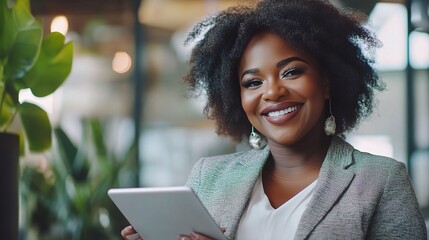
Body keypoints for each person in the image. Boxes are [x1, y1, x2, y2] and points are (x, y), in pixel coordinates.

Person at [122, 0, 428, 239]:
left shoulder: (381, 180)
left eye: (291, 72)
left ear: (327, 81)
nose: (273, 92)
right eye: (253, 83)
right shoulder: (208, 178)